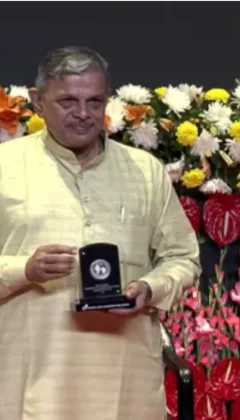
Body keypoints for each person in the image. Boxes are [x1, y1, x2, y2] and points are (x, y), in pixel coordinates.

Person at [0, 46, 201, 419]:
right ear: (37, 102)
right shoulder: (5, 166)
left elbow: (183, 257)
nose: (83, 113)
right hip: (30, 378)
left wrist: (151, 288)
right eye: (68, 101)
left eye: (94, 101)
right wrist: (24, 269)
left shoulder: (144, 170)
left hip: (124, 379)